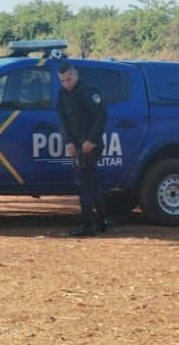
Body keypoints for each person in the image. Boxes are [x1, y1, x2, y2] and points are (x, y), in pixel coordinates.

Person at [57, 60, 112, 237]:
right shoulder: (62, 95)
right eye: (63, 80)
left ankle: (88, 225)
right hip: (77, 144)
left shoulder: (88, 92)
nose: (67, 84)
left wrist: (91, 140)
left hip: (90, 145)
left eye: (69, 79)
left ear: (76, 75)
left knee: (84, 185)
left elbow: (101, 117)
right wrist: (68, 142)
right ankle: (104, 220)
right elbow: (63, 121)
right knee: (92, 184)